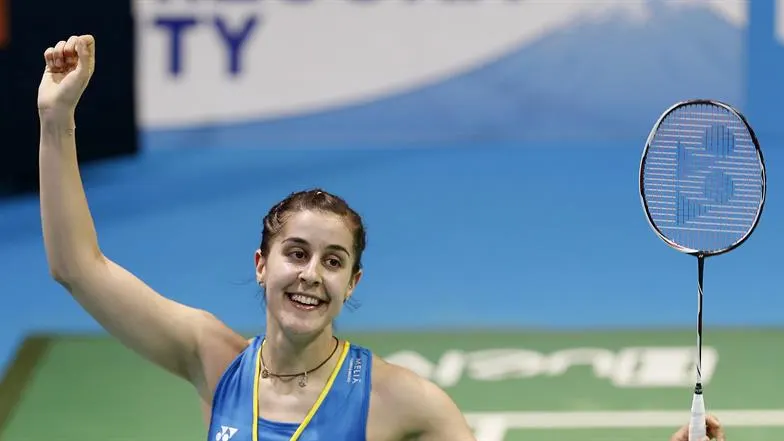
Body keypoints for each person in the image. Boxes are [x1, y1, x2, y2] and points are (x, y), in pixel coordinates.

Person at [36, 34, 727, 441]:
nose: (311, 274)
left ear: (354, 283)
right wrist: (55, 119)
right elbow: (78, 267)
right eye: (297, 253)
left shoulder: (401, 399)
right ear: (261, 263)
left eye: (333, 261)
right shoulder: (212, 359)